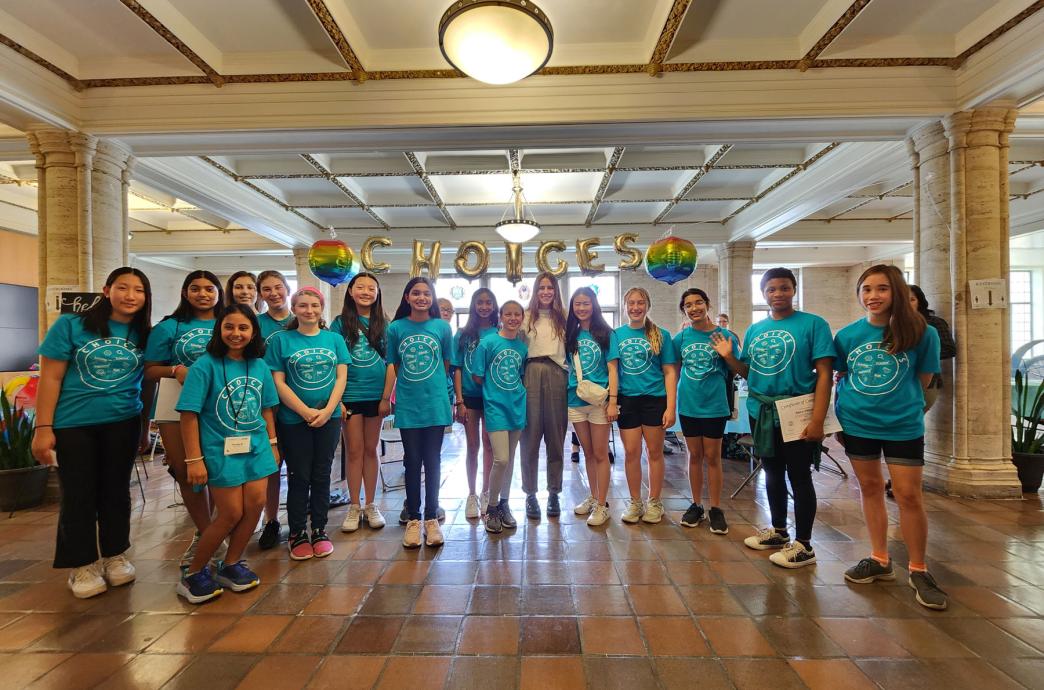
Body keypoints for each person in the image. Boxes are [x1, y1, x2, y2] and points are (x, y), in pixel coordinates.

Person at [32, 267, 153, 599]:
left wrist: (144, 427)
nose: (131, 296)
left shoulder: (144, 333)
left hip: (123, 421)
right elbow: (51, 379)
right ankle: (82, 564)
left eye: (139, 290)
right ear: (106, 289)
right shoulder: (72, 325)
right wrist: (43, 428)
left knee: (116, 492)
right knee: (78, 494)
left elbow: (147, 385)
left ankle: (115, 555)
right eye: (123, 288)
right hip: (74, 424)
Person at [835, 265, 946, 610]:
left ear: (896, 292)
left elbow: (926, 379)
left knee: (908, 494)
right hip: (857, 422)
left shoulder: (923, 334)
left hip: (903, 425)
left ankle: (918, 568)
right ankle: (880, 558)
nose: (873, 296)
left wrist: (899, 406)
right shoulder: (848, 336)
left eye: (881, 289)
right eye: (866, 289)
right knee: (869, 489)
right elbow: (843, 374)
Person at [712, 267, 834, 568]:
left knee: (800, 475)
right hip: (761, 409)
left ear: (794, 289)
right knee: (772, 471)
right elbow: (749, 373)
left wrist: (818, 419)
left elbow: (825, 374)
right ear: (763, 293)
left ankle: (804, 544)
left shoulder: (813, 325)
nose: (777, 294)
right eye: (771, 289)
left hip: (796, 410)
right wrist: (729, 357)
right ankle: (779, 531)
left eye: (784, 288)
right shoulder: (755, 330)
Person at [175, 304, 279, 603]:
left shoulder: (258, 365)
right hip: (220, 451)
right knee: (230, 513)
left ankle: (230, 563)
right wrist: (194, 460)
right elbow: (189, 415)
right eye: (229, 327)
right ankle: (193, 573)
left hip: (256, 447)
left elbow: (267, 408)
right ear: (219, 330)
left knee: (256, 504)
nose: (236, 333)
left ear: (253, 332)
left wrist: (272, 444)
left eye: (243, 328)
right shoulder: (204, 366)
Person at [143, 270, 223, 569]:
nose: (203, 294)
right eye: (195, 288)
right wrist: (175, 370)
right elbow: (150, 370)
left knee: (216, 470)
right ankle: (204, 534)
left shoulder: (226, 322)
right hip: (174, 402)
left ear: (218, 292)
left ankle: (217, 531)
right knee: (187, 471)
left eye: (209, 288)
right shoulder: (169, 327)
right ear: (185, 292)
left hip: (219, 405)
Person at [265, 288, 348, 560]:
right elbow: (277, 382)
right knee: (298, 475)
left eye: (314, 305)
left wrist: (328, 410)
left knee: (322, 473)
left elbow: (340, 379)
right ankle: (297, 531)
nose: (309, 310)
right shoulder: (281, 341)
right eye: (302, 305)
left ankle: (320, 529)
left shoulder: (334, 339)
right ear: (295, 308)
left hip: (330, 418)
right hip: (293, 420)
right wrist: (304, 411)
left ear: (321, 308)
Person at [384, 277, 454, 548]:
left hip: (435, 403)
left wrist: (432, 385)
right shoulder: (396, 328)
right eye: (416, 293)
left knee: (433, 460)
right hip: (409, 404)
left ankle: (431, 519)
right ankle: (413, 519)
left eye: (427, 294)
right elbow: (395, 364)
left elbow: (446, 364)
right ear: (407, 297)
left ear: (432, 299)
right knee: (412, 461)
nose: (422, 298)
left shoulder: (442, 327)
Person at [675, 288, 740, 534]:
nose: (694, 308)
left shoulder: (724, 335)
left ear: (707, 304)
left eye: (698, 302)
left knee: (713, 456)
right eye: (688, 305)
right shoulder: (681, 338)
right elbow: (672, 370)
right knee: (694, 455)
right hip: (689, 405)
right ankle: (696, 505)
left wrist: (727, 354)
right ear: (684, 310)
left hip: (714, 405)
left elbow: (738, 370)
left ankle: (715, 508)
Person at [331, 272, 389, 532]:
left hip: (376, 396)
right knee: (353, 450)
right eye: (361, 287)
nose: (366, 292)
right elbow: (334, 363)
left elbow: (391, 364)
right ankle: (354, 506)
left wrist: (386, 397)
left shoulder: (385, 323)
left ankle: (371, 504)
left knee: (370, 449)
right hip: (350, 395)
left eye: (371, 288)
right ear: (351, 291)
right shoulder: (339, 324)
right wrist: (338, 399)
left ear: (377, 293)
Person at [616, 287, 678, 525]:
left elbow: (670, 372)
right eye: (631, 303)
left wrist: (670, 407)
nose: (635, 307)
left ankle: (654, 501)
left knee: (654, 452)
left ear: (647, 305)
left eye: (640, 302)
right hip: (628, 400)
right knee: (631, 453)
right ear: (625, 306)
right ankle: (635, 501)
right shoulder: (617, 335)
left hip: (654, 399)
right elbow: (613, 370)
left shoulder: (660, 334)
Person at [472, 301, 528, 533]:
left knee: (511, 459)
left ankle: (505, 504)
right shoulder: (488, 343)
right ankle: (492, 507)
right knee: (501, 459)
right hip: (495, 407)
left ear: (522, 317)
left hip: (517, 405)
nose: (513, 318)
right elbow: (477, 376)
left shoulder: (523, 347)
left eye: (517, 314)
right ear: (501, 316)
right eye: (508, 314)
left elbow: (520, 375)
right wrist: (495, 393)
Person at [567, 287, 620, 527]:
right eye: (577, 304)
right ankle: (593, 496)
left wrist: (613, 401)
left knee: (600, 453)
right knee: (587, 453)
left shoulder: (606, 333)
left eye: (585, 303)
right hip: (576, 400)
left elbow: (612, 369)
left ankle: (602, 504)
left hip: (600, 400)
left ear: (594, 305)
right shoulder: (570, 334)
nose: (581, 308)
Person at [521, 272, 570, 519]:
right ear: (535, 290)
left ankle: (554, 492)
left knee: (555, 437)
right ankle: (530, 494)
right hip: (530, 373)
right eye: (541, 287)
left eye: (550, 287)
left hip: (557, 375)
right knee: (529, 438)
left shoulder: (564, 319)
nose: (546, 292)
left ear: (556, 291)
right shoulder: (525, 318)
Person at [452, 288, 499, 519]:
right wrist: (459, 400)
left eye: (488, 302)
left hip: (492, 397)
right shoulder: (463, 333)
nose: (484, 306)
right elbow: (457, 368)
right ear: (473, 305)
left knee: (489, 444)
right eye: (479, 302)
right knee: (472, 447)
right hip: (469, 398)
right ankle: (471, 494)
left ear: (494, 306)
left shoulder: (499, 332)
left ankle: (486, 492)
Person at [255, 270, 293, 549]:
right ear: (260, 294)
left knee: (301, 466)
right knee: (272, 465)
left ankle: (301, 517)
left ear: (287, 288)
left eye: (278, 287)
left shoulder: (304, 319)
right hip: (266, 405)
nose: (273, 293)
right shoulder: (255, 326)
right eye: (266, 289)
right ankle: (271, 520)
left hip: (300, 403)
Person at [908, 284, 956, 412]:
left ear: (920, 302)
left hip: (927, 382)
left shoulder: (934, 323)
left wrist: (923, 354)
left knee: (913, 418)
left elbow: (949, 349)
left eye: (912, 299)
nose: (907, 304)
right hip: (899, 381)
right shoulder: (890, 323)